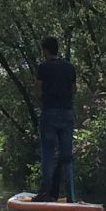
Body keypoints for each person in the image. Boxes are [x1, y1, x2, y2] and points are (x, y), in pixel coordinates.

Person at [32, 35, 78, 202]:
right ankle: (72, 196)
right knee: (67, 155)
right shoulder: (70, 67)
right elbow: (74, 89)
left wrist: (41, 98)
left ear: (45, 50)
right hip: (67, 113)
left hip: (50, 113)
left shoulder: (43, 67)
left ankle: (46, 193)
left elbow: (37, 90)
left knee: (48, 154)